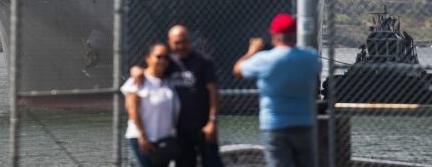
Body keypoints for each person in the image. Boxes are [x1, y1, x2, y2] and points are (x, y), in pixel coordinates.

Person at [233, 14, 320, 167]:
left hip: (275, 125)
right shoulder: (311, 57)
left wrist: (252, 51)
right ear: (295, 35)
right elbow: (317, 68)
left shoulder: (265, 60)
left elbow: (238, 70)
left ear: (273, 35)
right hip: (304, 123)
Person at [131, 25, 223, 167]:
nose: (181, 46)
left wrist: (212, 121)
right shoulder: (168, 62)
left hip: (204, 126)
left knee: (212, 163)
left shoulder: (203, 62)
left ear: (190, 41)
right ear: (169, 42)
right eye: (176, 43)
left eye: (184, 42)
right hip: (179, 131)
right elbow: (152, 71)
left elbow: (213, 92)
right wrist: (136, 70)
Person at [121, 43, 180, 167]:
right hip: (143, 138)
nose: (162, 60)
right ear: (148, 58)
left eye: (165, 57)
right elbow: (132, 110)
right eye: (158, 56)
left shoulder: (168, 81)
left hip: (165, 139)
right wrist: (142, 135)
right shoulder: (138, 80)